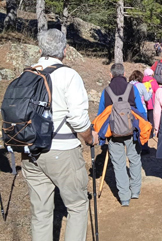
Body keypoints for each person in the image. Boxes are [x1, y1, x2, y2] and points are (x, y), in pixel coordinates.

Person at [21, 29, 98, 241]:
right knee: (77, 205)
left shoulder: (27, 73)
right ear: (64, 51)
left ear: (40, 50)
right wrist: (90, 138)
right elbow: (78, 119)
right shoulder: (69, 75)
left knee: (41, 212)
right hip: (61, 151)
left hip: (29, 150)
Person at [98, 63, 144, 207]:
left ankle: (124, 197)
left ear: (110, 75)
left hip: (113, 131)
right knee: (134, 158)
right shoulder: (132, 88)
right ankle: (135, 190)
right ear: (124, 74)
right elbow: (141, 110)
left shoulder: (106, 91)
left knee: (118, 163)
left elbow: (101, 114)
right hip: (132, 129)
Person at [142, 68, 159, 137]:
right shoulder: (153, 81)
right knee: (151, 119)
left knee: (145, 119)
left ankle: (145, 132)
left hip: (144, 103)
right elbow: (157, 90)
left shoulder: (142, 81)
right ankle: (151, 133)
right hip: (152, 103)